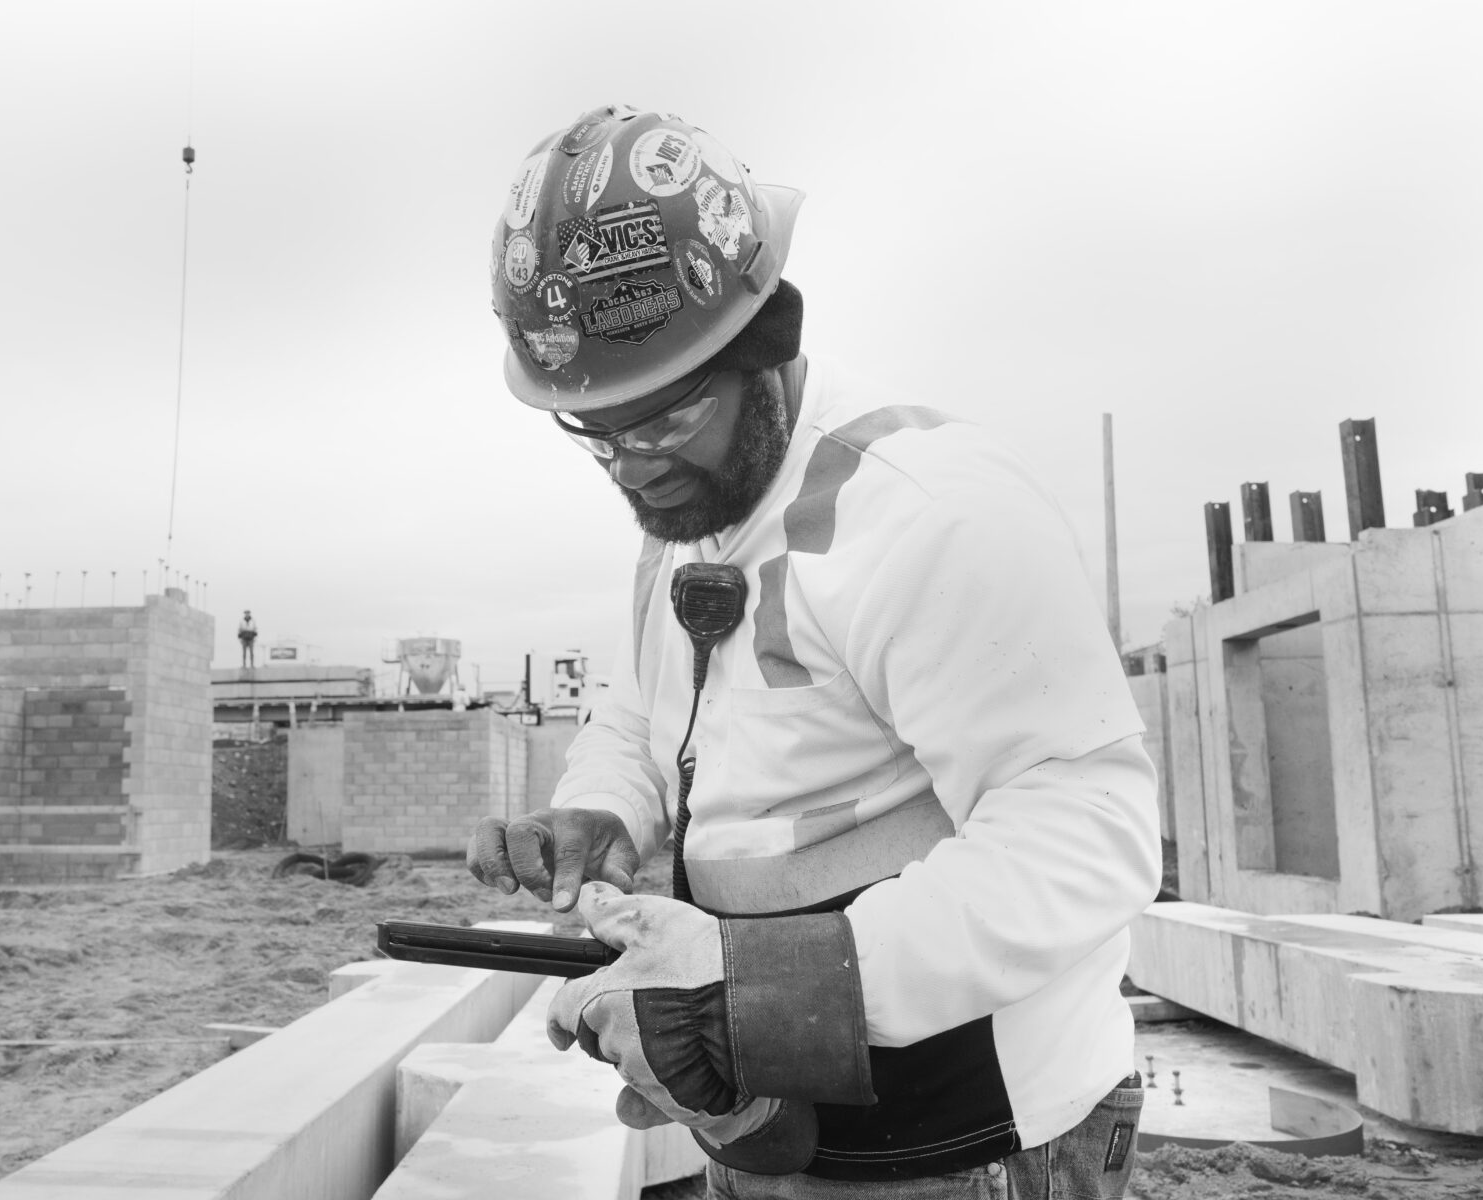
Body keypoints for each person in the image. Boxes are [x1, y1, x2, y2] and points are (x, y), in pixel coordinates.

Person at [466, 104, 1161, 1199]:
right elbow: (640, 708)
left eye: (663, 422)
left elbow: (1089, 833)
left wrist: (756, 986)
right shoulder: (689, 512)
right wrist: (606, 811)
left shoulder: (930, 513)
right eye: (597, 434)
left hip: (970, 1141)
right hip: (764, 1113)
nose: (632, 468)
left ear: (764, 341)